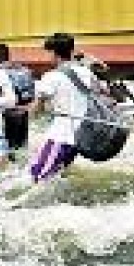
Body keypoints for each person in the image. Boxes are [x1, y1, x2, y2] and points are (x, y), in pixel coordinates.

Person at [29, 33, 100, 182]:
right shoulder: (86, 72)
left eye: (48, 52)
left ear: (54, 53)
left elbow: (37, 109)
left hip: (61, 136)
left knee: (39, 176)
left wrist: (25, 113)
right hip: (81, 137)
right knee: (57, 176)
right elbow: (99, 93)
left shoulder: (51, 77)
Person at [0, 43, 35, 150]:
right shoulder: (24, 69)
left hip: (8, 114)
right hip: (24, 113)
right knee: (21, 147)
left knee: (8, 149)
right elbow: (31, 94)